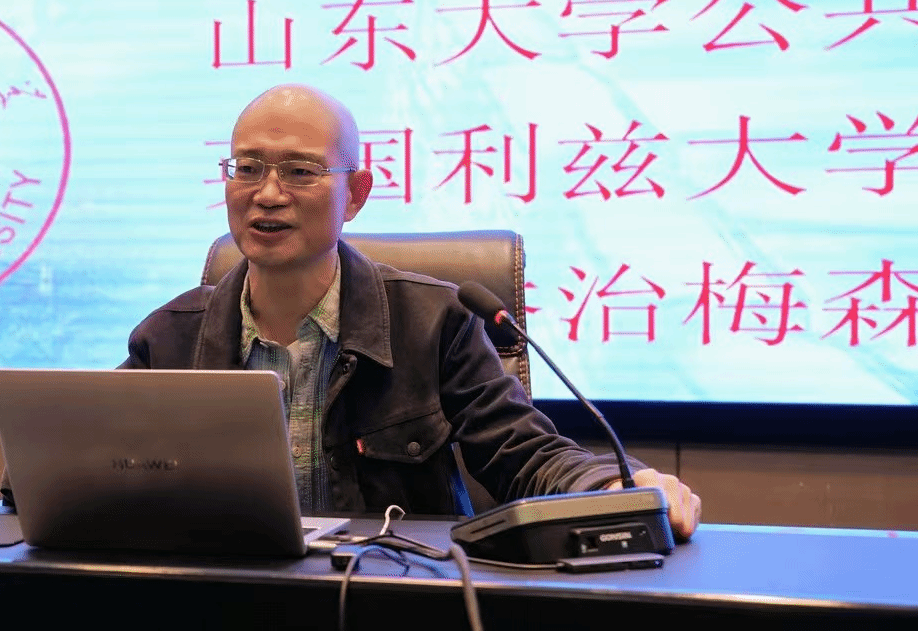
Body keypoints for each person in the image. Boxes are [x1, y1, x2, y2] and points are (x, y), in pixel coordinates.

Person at [121, 84, 701, 540]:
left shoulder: (435, 320)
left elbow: (524, 456)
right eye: (247, 168)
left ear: (356, 193)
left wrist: (615, 484)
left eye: (300, 171)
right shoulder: (168, 338)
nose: (268, 194)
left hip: (392, 601)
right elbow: (96, 468)